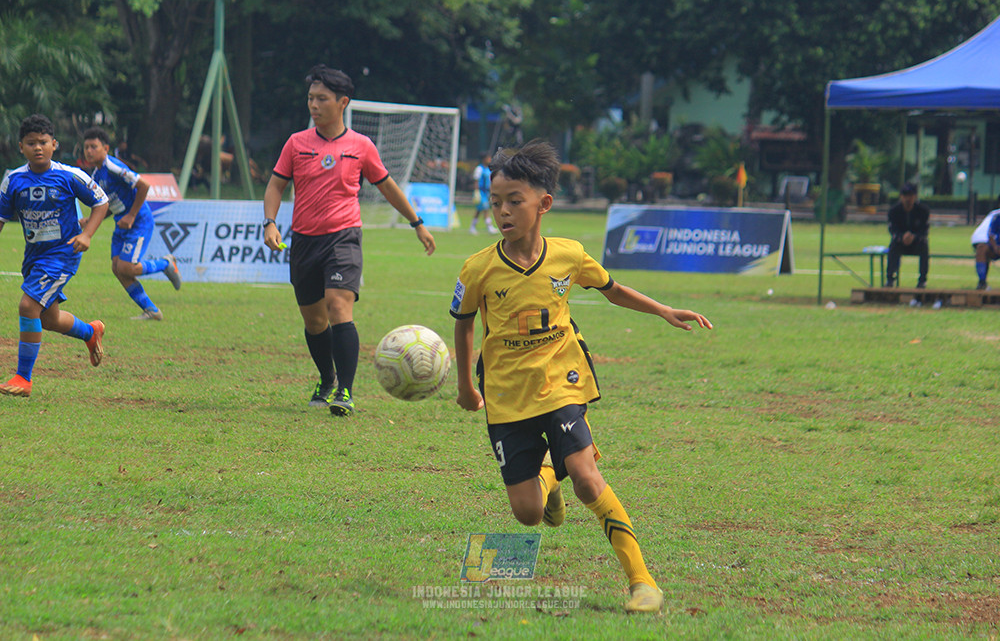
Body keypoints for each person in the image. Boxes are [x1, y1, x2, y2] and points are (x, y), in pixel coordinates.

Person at [449, 140, 713, 613]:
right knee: (528, 514)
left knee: (589, 479)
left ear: (543, 204)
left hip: (562, 377)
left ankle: (642, 581)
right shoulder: (478, 268)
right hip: (507, 395)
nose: (502, 213)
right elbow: (463, 322)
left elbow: (613, 290)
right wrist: (467, 387)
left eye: (515, 202)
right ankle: (551, 475)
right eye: (495, 204)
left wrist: (663, 310)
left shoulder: (568, 255)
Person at [263, 64, 436, 416]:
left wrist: (417, 222)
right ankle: (326, 378)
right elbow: (276, 185)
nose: (314, 105)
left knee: (338, 306)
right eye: (311, 98)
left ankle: (345, 390)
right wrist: (269, 222)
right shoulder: (297, 143)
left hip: (343, 237)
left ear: (342, 102)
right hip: (304, 242)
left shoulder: (361, 146)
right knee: (314, 321)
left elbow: (387, 186)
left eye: (322, 99)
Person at [0, 114, 111, 397]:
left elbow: (101, 202)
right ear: (21, 147)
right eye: (31, 143)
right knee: (48, 319)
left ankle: (23, 379)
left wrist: (86, 235)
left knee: (28, 306)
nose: (38, 147)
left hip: (64, 254)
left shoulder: (69, 175)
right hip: (34, 256)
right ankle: (90, 332)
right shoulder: (12, 180)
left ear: (54, 144)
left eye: (43, 142)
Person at [83, 127, 182, 320]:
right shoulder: (96, 175)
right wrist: (90, 220)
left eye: (93, 147)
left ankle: (165, 263)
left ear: (105, 148)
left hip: (138, 221)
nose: (89, 151)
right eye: (86, 147)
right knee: (117, 268)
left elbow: (143, 185)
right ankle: (152, 311)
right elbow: (109, 205)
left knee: (127, 267)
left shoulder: (113, 166)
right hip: (122, 223)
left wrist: (132, 215)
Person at [885, 182, 930, 288]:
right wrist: (902, 237)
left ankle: (922, 280)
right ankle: (890, 278)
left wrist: (913, 237)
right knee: (893, 246)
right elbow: (892, 229)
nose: (907, 199)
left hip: (917, 243)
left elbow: (925, 230)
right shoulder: (894, 211)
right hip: (900, 242)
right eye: (905, 196)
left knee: (924, 246)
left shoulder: (923, 211)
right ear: (901, 196)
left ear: (915, 196)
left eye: (910, 196)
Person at [971, 206, 1000, 290]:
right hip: (996, 248)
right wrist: (996, 247)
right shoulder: (996, 216)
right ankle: (982, 283)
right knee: (981, 248)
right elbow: (990, 235)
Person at [469, 153, 498, 234]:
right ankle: (489, 227)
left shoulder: (488, 169)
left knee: (479, 210)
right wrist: (476, 191)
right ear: (484, 159)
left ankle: (472, 227)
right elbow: (476, 180)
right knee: (486, 209)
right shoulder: (479, 169)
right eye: (488, 158)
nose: (490, 160)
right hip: (481, 192)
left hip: (486, 192)